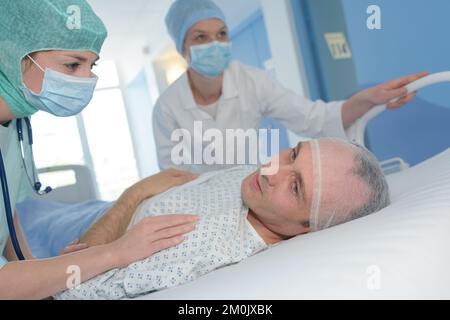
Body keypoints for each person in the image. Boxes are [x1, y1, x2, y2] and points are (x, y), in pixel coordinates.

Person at [0, 0, 198, 299]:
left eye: (90, 66)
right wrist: (113, 253)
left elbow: (6, 213)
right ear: (12, 55)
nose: (87, 80)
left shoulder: (13, 126)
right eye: (72, 64)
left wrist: (46, 270)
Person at [55, 138, 389, 299]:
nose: (273, 171)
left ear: (308, 231)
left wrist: (134, 195)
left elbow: (68, 288)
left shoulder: (207, 247)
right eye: (292, 154)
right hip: (94, 215)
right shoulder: (253, 184)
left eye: (296, 187)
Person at [153, 0, 427, 173]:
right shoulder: (168, 107)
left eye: (222, 34)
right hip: (203, 204)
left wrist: (368, 98)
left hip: (253, 189)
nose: (215, 44)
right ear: (182, 47)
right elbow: (172, 176)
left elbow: (314, 118)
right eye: (200, 37)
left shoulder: (253, 81)